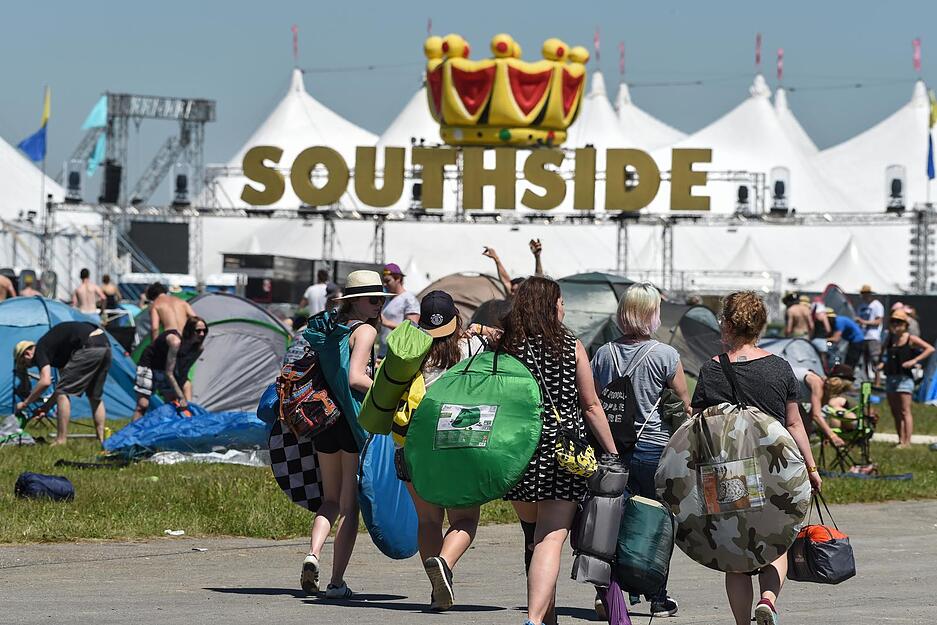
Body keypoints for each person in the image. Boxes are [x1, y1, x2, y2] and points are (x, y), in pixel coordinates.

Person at [691, 291, 821, 625]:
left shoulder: (711, 370)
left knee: (735, 555)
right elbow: (794, 423)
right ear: (760, 325)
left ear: (728, 323)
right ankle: (768, 599)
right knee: (777, 543)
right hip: (773, 468)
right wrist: (811, 467)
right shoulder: (779, 367)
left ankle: (742, 623)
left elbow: (698, 426)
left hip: (725, 474)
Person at [499, 276, 619, 625]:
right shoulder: (570, 345)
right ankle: (535, 620)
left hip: (517, 450)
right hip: (562, 453)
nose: (564, 307)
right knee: (550, 539)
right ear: (552, 306)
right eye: (561, 301)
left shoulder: (508, 346)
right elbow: (591, 405)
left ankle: (546, 617)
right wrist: (611, 453)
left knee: (533, 538)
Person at [591, 282, 691, 618]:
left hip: (611, 449)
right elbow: (683, 403)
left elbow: (592, 401)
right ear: (651, 314)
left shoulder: (603, 354)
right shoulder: (665, 355)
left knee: (612, 522)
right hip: (653, 449)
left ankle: (612, 591)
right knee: (656, 521)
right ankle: (658, 597)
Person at [395, 290, 484, 611]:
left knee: (428, 521)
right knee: (465, 519)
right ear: (455, 319)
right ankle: (444, 563)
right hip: (458, 443)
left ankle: (437, 592)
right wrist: (480, 330)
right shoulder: (471, 347)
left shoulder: (410, 351)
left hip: (412, 445)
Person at [302, 270, 389, 600]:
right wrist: (388, 389)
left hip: (324, 421)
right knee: (349, 508)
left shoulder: (331, 331)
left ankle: (313, 554)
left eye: (381, 299)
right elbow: (355, 378)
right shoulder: (364, 331)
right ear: (356, 302)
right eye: (373, 300)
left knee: (330, 500)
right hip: (353, 422)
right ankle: (336, 582)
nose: (379, 305)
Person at [13, 321, 113, 445]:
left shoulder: (40, 349)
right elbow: (63, 384)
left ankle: (61, 440)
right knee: (94, 396)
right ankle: (102, 439)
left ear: (27, 354)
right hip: (105, 344)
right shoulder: (57, 352)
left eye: (23, 363)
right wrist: (46, 407)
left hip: (88, 345)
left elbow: (45, 381)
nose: (26, 367)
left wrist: (25, 403)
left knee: (62, 393)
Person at [131, 316, 208, 420]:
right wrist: (181, 396)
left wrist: (182, 396)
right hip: (149, 365)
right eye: (198, 331)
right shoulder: (175, 341)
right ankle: (134, 433)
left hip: (164, 369)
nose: (202, 334)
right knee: (142, 405)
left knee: (173, 405)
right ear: (189, 331)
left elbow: (183, 372)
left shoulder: (198, 348)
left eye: (204, 331)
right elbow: (169, 372)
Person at [880, 308, 934, 448]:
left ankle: (907, 441)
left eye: (899, 322)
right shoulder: (890, 339)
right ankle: (900, 439)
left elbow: (930, 349)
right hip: (891, 377)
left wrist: (914, 361)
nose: (896, 324)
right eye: (893, 321)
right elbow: (883, 354)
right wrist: (881, 364)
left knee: (905, 410)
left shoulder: (910, 338)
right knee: (895, 411)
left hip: (904, 379)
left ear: (905, 324)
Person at [379, 263, 420, 357]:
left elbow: (412, 329)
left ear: (398, 278)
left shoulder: (409, 299)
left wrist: (386, 322)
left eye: (387, 281)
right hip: (383, 352)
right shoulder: (387, 299)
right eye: (383, 281)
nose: (384, 284)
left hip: (398, 354)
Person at [856, 285, 885, 384]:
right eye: (863, 294)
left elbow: (878, 321)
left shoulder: (877, 305)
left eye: (866, 294)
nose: (864, 296)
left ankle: (877, 382)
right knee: (864, 361)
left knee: (875, 360)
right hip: (862, 336)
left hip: (873, 337)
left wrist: (864, 322)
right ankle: (866, 382)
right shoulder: (861, 306)